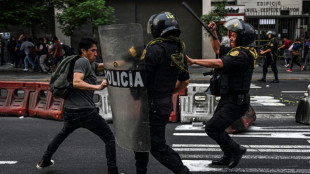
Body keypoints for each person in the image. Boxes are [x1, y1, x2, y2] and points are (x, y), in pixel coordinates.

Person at [36, 37, 119, 174]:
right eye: (93, 50)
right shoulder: (82, 61)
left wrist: (122, 61)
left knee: (62, 134)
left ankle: (45, 159)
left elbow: (102, 66)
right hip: (85, 112)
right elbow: (76, 82)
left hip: (70, 111)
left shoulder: (89, 63)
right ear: (83, 51)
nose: (96, 53)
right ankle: (113, 171)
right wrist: (98, 87)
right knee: (109, 138)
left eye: (96, 50)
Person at [187, 18, 257, 169]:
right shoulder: (236, 52)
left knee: (212, 128)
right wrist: (213, 33)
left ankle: (236, 150)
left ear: (242, 38)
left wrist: (194, 61)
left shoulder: (243, 55)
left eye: (234, 36)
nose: (231, 37)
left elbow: (219, 63)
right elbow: (218, 50)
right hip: (228, 99)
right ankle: (227, 155)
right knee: (216, 128)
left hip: (236, 102)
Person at [134, 12, 191, 174]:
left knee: (155, 145)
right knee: (141, 142)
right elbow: (185, 81)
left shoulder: (153, 50)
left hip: (149, 104)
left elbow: (140, 79)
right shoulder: (179, 50)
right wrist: (166, 92)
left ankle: (182, 171)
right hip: (164, 103)